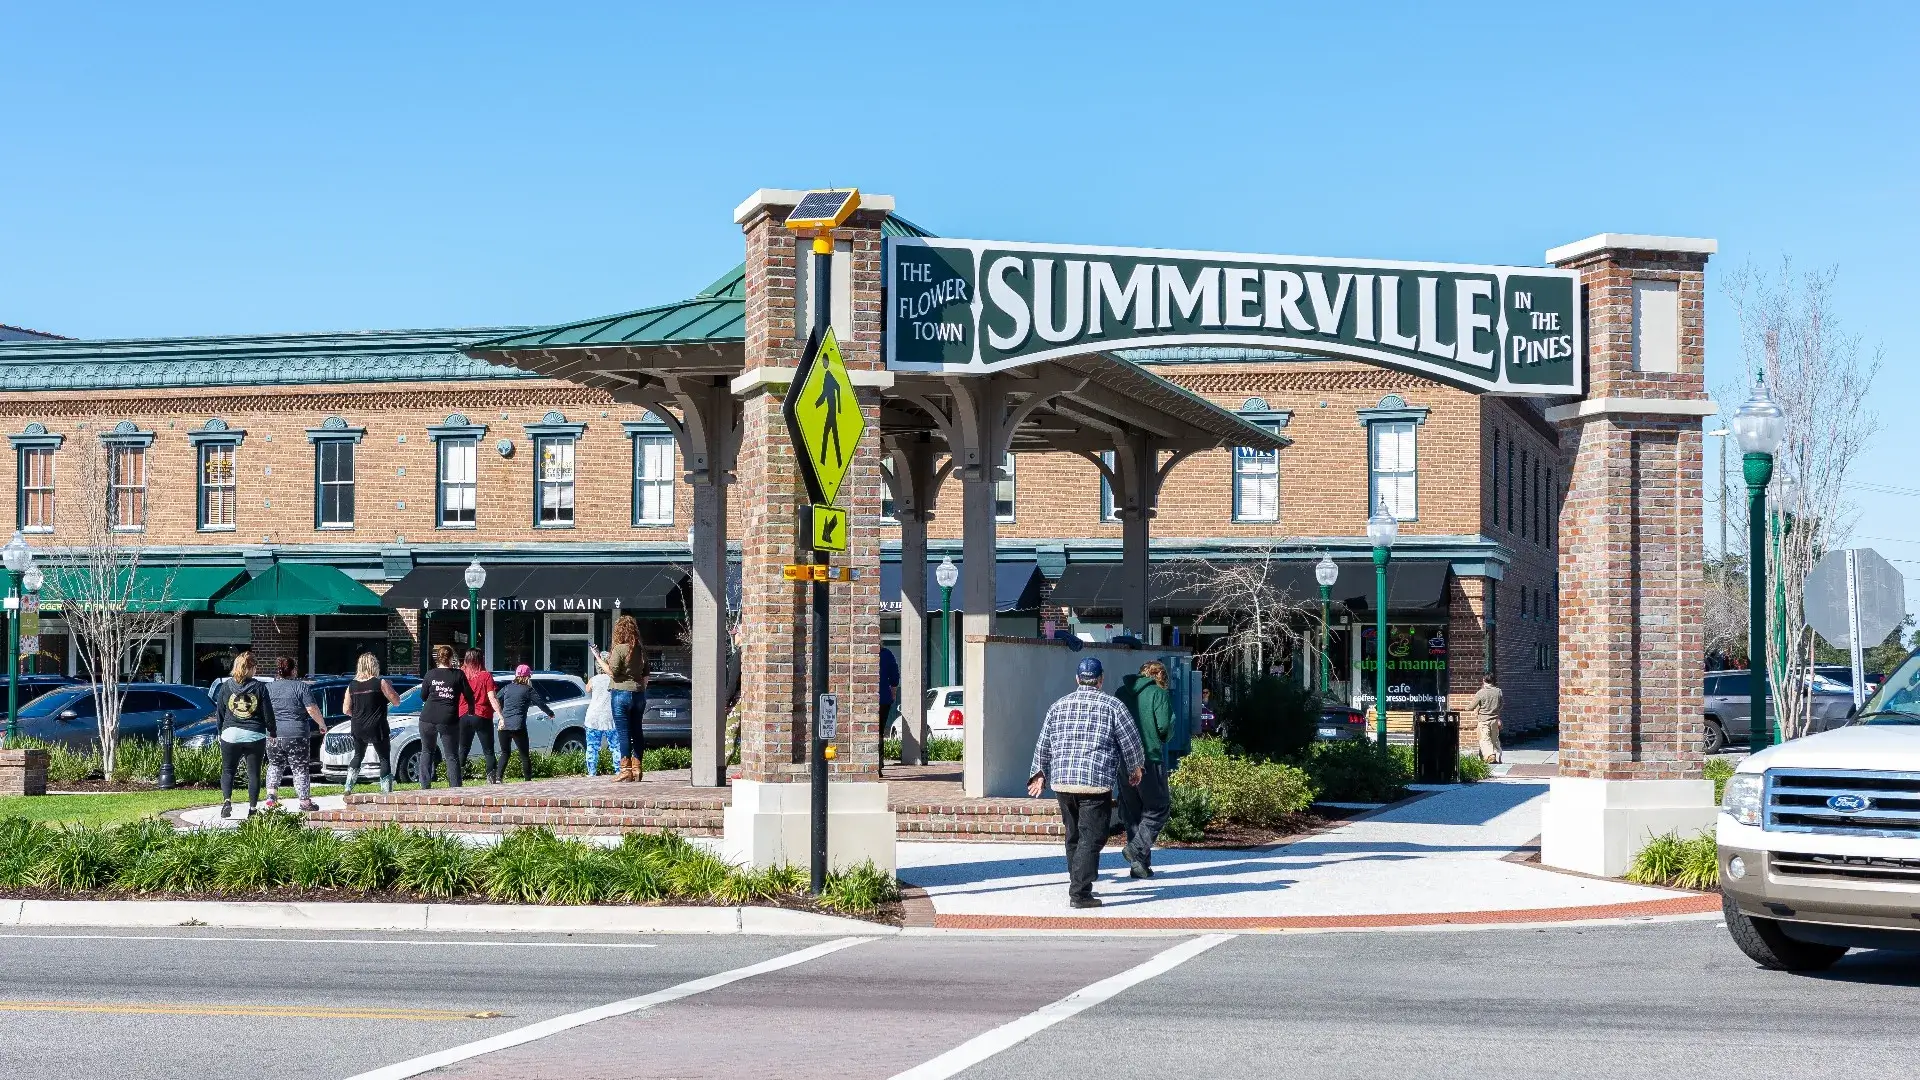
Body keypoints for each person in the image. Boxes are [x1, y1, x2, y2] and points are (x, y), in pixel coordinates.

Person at [1028, 656, 1144, 909]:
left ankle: (1077, 881)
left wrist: (1039, 773)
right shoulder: (1113, 706)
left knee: (1074, 836)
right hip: (1095, 782)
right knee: (1092, 838)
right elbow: (1130, 741)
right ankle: (1080, 893)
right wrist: (1135, 768)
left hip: (1064, 783)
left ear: (1078, 679)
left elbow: (1044, 742)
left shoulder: (1058, 706)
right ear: (1101, 680)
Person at [1113, 659, 1174, 879]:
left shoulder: (1121, 692)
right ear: (1160, 676)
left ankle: (1139, 866)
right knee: (1159, 808)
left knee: (1133, 813)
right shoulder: (1158, 694)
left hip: (1123, 760)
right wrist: (1164, 736)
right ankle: (1136, 850)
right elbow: (1164, 726)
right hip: (1149, 758)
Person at [263, 656, 325, 812]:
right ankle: (304, 802)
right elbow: (311, 709)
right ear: (292, 670)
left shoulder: (268, 688)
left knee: (275, 765)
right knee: (300, 768)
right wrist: (321, 724)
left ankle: (271, 796)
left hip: (273, 735)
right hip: (297, 734)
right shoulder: (301, 687)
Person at [213, 652, 270, 819]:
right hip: (255, 735)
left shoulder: (226, 686)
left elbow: (220, 713)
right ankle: (252, 809)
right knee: (254, 773)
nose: (256, 670)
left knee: (228, 770)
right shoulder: (260, 688)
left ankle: (227, 801)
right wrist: (272, 730)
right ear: (250, 668)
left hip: (230, 735)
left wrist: (220, 731)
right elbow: (268, 713)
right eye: (254, 667)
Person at [418, 644, 476, 789]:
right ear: (451, 658)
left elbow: (423, 696)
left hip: (427, 718)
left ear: (438, 659)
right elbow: (469, 695)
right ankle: (455, 787)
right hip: (448, 718)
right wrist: (471, 709)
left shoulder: (430, 674)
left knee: (427, 751)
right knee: (451, 755)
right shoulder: (458, 675)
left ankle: (425, 785)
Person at [600, 615, 649, 782]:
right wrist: (640, 689)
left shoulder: (620, 649)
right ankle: (637, 768)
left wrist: (599, 659)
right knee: (637, 731)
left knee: (623, 733)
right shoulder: (640, 649)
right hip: (638, 694)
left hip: (620, 693)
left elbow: (613, 671)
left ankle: (625, 769)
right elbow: (646, 675)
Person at [344, 652, 402, 795]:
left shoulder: (352, 686)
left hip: (358, 725)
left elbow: (345, 709)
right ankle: (385, 791)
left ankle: (348, 786)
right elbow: (396, 701)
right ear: (374, 666)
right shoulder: (380, 683)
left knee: (358, 755)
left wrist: (358, 715)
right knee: (383, 758)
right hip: (377, 725)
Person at [492, 664, 553, 783]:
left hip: (503, 725)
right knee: (524, 755)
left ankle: (498, 778)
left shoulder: (507, 687)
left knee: (505, 753)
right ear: (527, 677)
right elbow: (540, 703)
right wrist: (550, 713)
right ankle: (528, 780)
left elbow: (496, 699)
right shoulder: (528, 689)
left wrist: (501, 714)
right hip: (518, 726)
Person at [459, 650, 501, 784]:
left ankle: (457, 776)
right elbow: (492, 697)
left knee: (463, 748)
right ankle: (491, 778)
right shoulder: (485, 676)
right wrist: (501, 715)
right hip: (481, 714)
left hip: (463, 714)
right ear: (480, 659)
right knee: (488, 749)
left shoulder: (461, 675)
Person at [583, 669, 617, 777]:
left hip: (593, 717)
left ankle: (591, 772)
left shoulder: (593, 680)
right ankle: (619, 770)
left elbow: (587, 689)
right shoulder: (614, 679)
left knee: (592, 746)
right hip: (610, 716)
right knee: (616, 746)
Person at [1472, 673, 1504, 764]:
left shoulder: (1481, 692)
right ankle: (1498, 756)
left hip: (1483, 719)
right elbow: (1501, 705)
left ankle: (1490, 755)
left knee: (1485, 739)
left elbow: (1472, 706)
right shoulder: (1498, 691)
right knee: (1495, 739)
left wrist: (1466, 708)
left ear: (1483, 680)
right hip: (1494, 719)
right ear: (1493, 681)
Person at [879, 646, 899, 737]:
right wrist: (893, 694)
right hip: (883, 698)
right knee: (880, 731)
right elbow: (894, 678)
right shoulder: (886, 654)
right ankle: (879, 750)